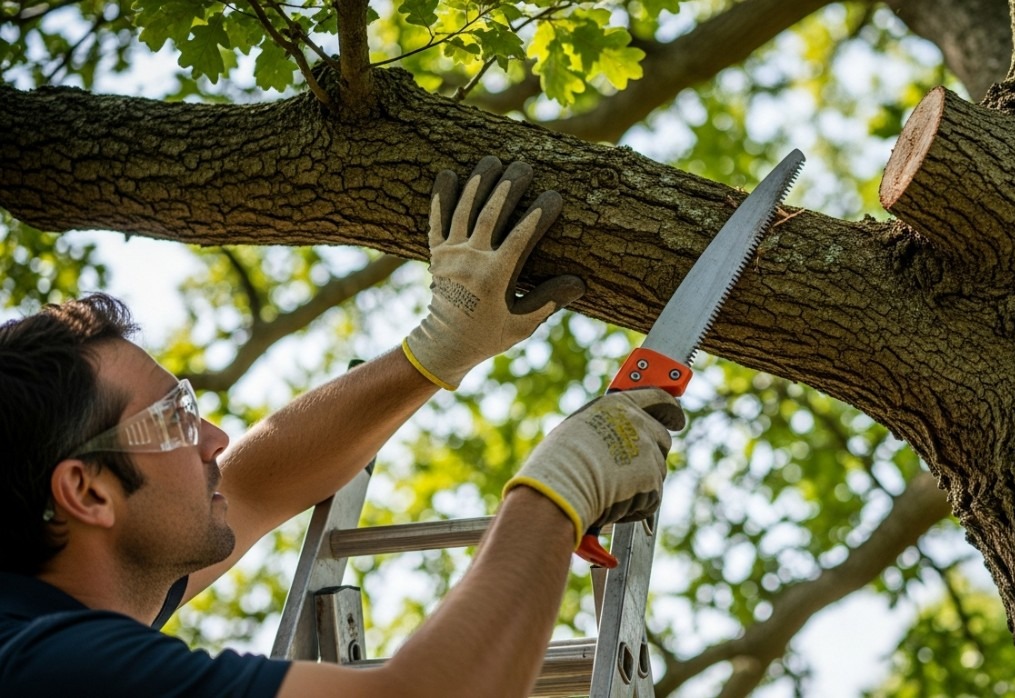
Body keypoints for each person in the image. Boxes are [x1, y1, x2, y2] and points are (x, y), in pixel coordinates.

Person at [0, 157, 685, 697]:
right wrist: (561, 490)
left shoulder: (52, 608)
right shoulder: (54, 666)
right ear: (86, 492)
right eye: (173, 420)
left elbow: (257, 484)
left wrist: (440, 347)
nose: (214, 439)